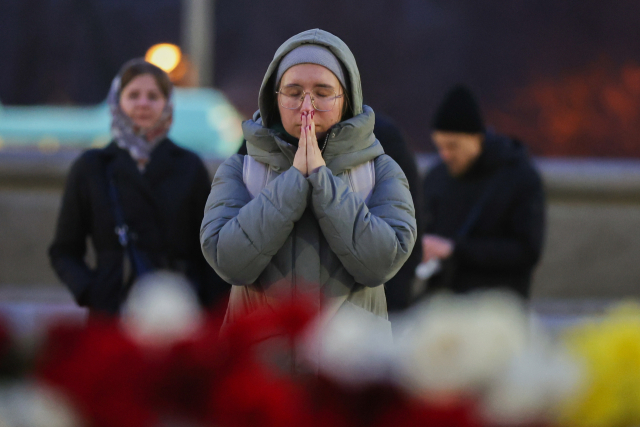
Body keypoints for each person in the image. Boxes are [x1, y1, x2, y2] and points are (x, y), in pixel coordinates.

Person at [200, 29, 416, 326]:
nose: (306, 107)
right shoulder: (239, 169)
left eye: (323, 93)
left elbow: (381, 264)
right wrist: (293, 182)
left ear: (346, 99)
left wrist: (321, 179)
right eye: (293, 93)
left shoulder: (381, 171)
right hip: (260, 362)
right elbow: (229, 262)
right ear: (274, 99)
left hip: (350, 361)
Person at [49, 59, 230, 315]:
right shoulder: (92, 167)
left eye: (153, 96)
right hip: (114, 311)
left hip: (179, 309)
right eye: (133, 95)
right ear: (117, 102)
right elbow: (64, 251)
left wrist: (209, 309)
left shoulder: (189, 165)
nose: (143, 103)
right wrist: (92, 291)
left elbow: (211, 246)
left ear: (167, 104)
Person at [420, 85, 545, 298]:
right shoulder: (437, 176)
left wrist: (455, 249)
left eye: (453, 146)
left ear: (477, 138)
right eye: (439, 146)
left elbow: (527, 251)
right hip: (441, 304)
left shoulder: (519, 176)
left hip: (497, 306)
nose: (445, 155)